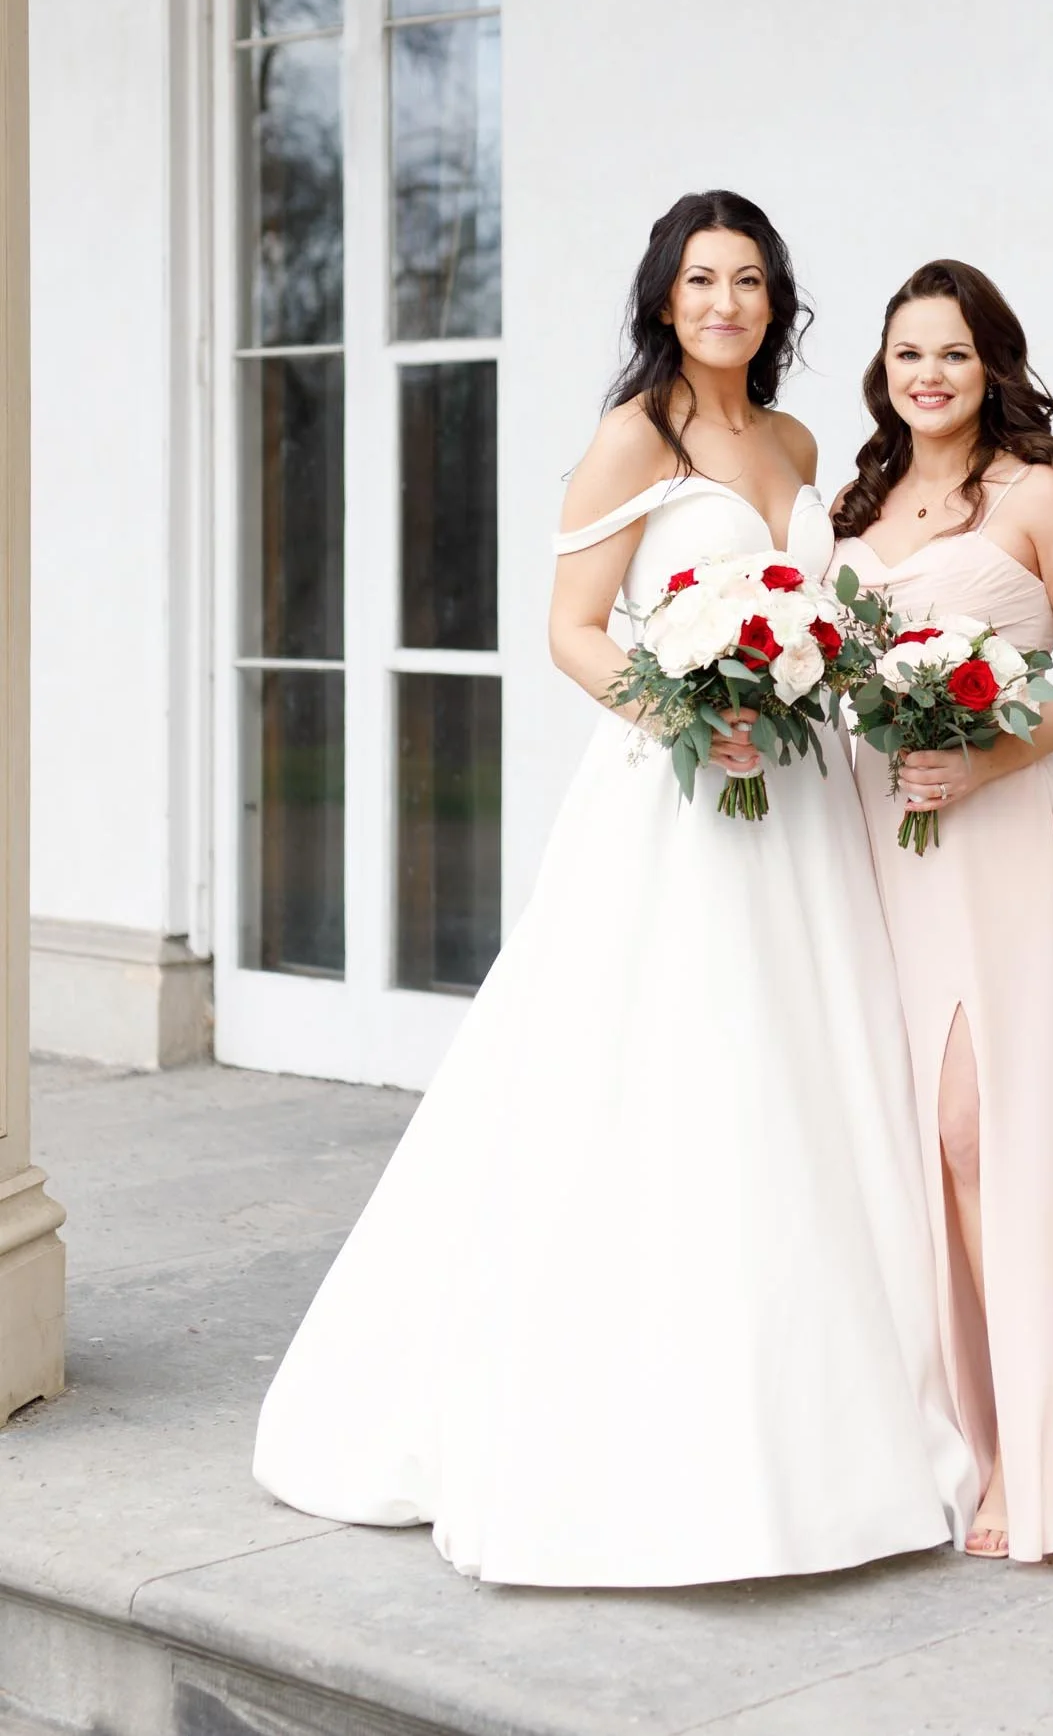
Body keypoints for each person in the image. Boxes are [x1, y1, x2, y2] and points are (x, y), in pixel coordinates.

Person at [253, 193, 974, 1586]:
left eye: (750, 280)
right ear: (661, 297)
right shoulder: (630, 439)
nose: (726, 301)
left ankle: (829, 1412)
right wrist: (687, 713)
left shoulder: (796, 442)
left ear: (777, 306)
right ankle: (652, 1427)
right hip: (677, 803)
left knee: (803, 1081)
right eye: (701, 279)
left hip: (801, 805)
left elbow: (815, 609)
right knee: (667, 1078)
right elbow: (572, 632)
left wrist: (811, 681)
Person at [833, 259, 1053, 1562]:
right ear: (882, 370)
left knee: (979, 1132)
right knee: (896, 1136)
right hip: (866, 842)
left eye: (952, 354)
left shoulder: (1036, 495)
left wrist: (984, 754)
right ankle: (944, 1437)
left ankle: (1033, 1450)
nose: (929, 376)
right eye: (908, 353)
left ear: (991, 364)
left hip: (990, 835)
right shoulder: (857, 502)